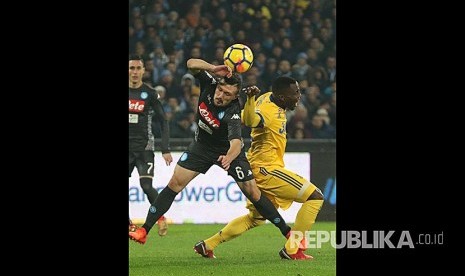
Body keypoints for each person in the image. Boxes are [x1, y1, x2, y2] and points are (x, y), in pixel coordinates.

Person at [129, 58, 292, 245]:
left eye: (227, 94)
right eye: (220, 90)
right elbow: (190, 63)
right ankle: (144, 231)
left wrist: (229, 157)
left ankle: (287, 233)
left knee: (252, 192)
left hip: (227, 151)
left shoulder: (233, 112)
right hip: (201, 147)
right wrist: (213, 68)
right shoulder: (209, 83)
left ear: (234, 97)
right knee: (175, 183)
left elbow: (236, 142)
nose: (220, 95)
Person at [194, 76, 324, 260]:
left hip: (258, 166)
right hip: (266, 169)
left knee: (256, 218)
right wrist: (249, 100)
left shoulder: (269, 97)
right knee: (315, 196)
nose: (298, 96)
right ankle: (292, 249)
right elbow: (250, 120)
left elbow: (251, 115)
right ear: (282, 97)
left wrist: (252, 99)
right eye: (295, 93)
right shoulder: (268, 110)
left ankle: (207, 245)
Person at [129, 54, 173, 236]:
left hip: (144, 146)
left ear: (143, 71)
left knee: (146, 186)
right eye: (132, 68)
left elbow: (164, 121)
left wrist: (165, 148)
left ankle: (160, 217)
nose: (135, 72)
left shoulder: (150, 93)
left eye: (138, 68)